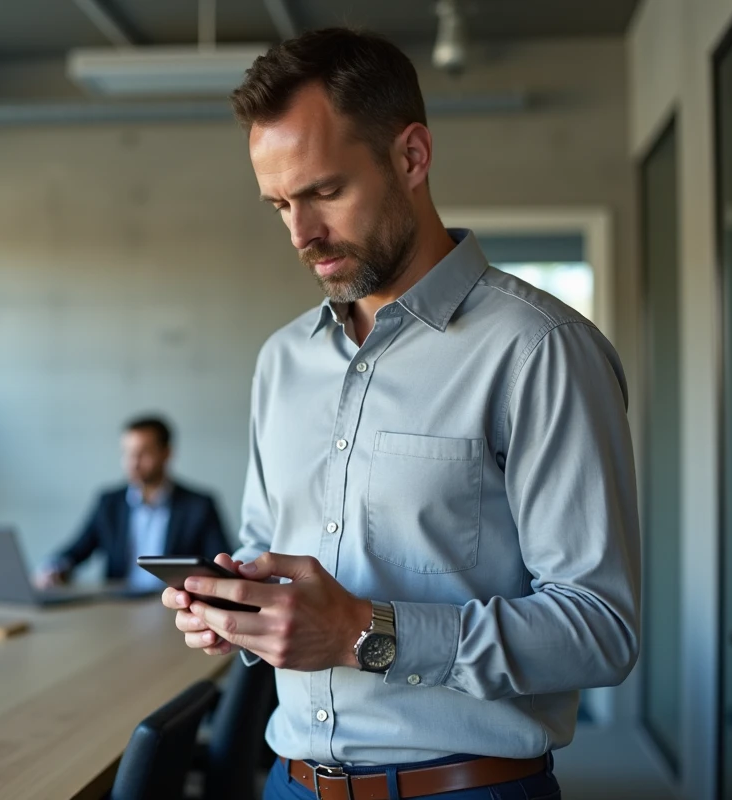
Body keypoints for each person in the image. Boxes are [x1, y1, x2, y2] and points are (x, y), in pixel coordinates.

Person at [161, 28, 640, 800]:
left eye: (323, 192)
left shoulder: (540, 351)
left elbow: (600, 629)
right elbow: (261, 545)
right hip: (289, 784)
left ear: (412, 157)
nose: (300, 234)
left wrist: (360, 632)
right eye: (280, 203)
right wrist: (238, 610)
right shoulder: (282, 361)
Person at [34, 416, 230, 592]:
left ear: (167, 453)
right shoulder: (109, 503)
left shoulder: (199, 506)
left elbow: (220, 565)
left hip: (176, 608)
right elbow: (76, 550)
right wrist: (53, 568)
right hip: (117, 607)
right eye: (127, 453)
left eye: (143, 453)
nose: (133, 463)